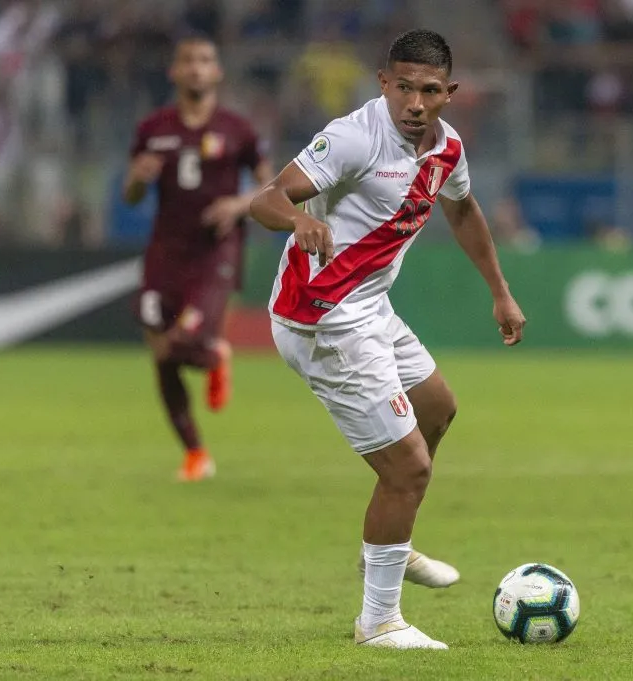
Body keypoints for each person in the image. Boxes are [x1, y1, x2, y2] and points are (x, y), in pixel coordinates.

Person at [250, 29, 526, 650]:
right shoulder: (354, 137)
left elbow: (462, 209)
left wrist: (500, 291)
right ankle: (378, 621)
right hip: (321, 318)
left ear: (450, 93)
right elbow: (266, 199)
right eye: (403, 87)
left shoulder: (447, 148)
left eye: (429, 91)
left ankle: (389, 537)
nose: (414, 103)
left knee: (438, 408)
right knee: (408, 468)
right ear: (383, 83)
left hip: (368, 308)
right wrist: (296, 219)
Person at [124, 34, 273, 482]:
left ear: (217, 72)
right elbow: (131, 196)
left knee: (184, 342)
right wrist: (138, 178)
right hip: (165, 252)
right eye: (188, 60)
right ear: (174, 71)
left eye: (204, 60)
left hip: (215, 251)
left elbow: (272, 186)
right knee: (162, 353)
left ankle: (211, 352)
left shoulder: (237, 129)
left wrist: (238, 205)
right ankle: (195, 453)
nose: (195, 67)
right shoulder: (153, 128)